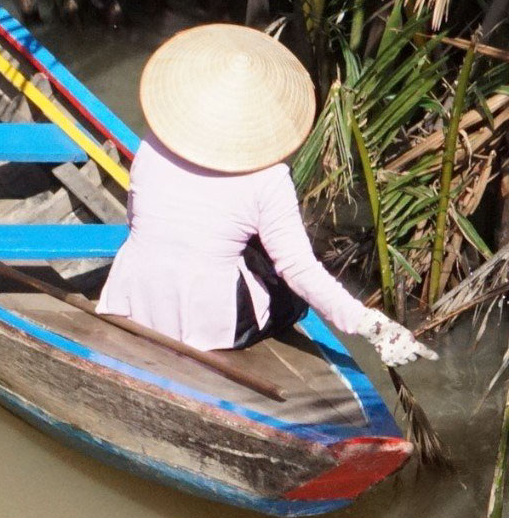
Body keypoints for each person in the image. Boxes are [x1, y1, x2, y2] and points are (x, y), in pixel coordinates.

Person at [97, 24, 434, 366]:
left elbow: (134, 219)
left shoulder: (152, 144)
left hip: (131, 293)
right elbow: (298, 269)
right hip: (208, 323)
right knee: (290, 294)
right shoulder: (268, 179)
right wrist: (373, 326)